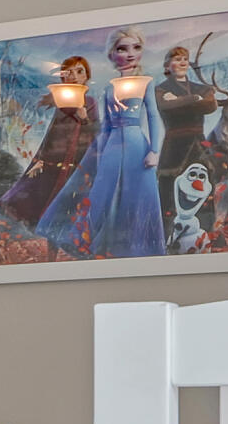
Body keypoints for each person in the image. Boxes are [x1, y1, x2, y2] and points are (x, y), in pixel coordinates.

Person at [44, 28, 164, 259]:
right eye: (122, 48)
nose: (129, 54)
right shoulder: (109, 88)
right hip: (111, 146)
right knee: (102, 191)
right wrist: (98, 152)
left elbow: (153, 116)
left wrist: (155, 150)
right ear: (111, 54)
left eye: (136, 48)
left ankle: (137, 247)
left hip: (137, 145)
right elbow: (107, 125)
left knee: (137, 194)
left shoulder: (145, 82)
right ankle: (91, 242)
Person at [0, 54, 95, 229]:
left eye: (79, 71)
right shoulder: (61, 100)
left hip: (79, 157)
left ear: (86, 76)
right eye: (69, 72)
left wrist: (85, 118)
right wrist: (39, 159)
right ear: (63, 76)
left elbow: (96, 133)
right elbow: (52, 134)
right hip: (55, 155)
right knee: (42, 188)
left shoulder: (90, 102)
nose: (74, 77)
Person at [153, 43, 222, 237]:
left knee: (203, 183)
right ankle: (168, 235)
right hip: (174, 145)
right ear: (168, 65)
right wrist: (195, 100)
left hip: (198, 143)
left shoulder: (203, 88)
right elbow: (166, 106)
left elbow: (210, 105)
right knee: (169, 185)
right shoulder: (161, 89)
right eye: (177, 59)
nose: (182, 62)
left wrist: (181, 101)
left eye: (184, 59)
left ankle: (205, 232)